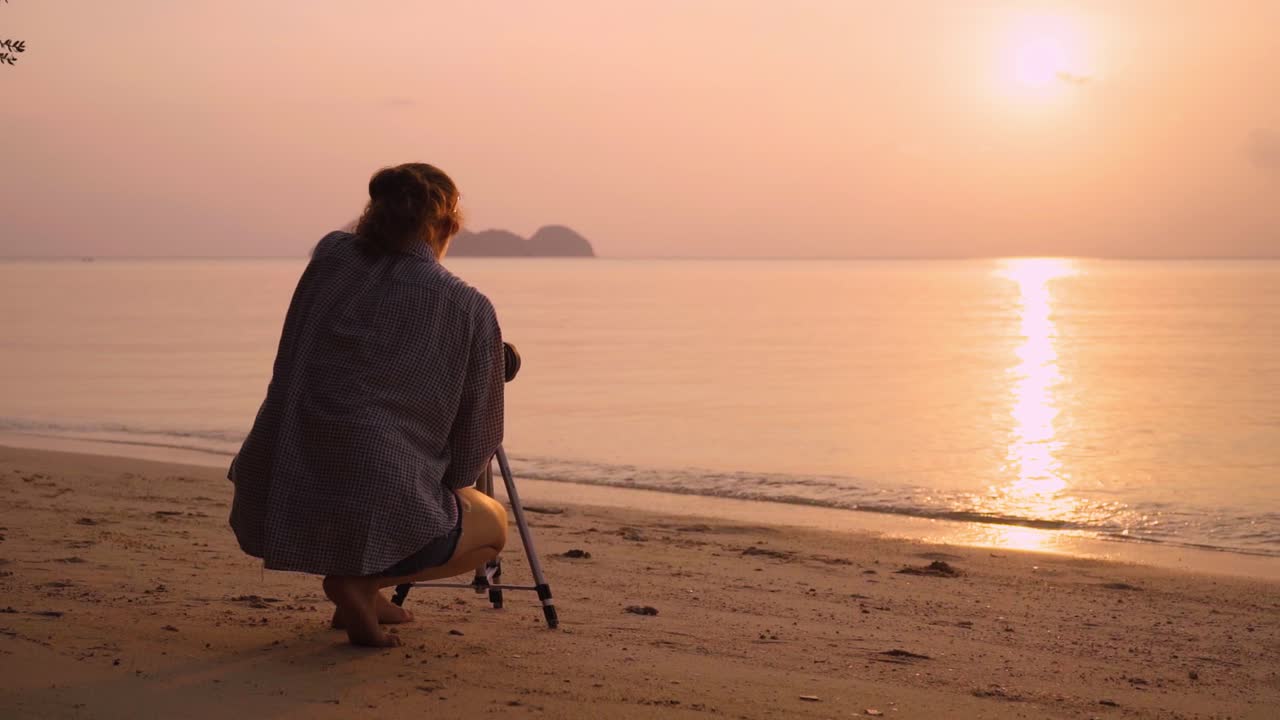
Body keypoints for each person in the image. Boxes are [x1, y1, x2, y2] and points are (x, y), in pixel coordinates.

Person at [228, 163, 508, 647]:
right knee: (491, 525)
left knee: (376, 488)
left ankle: (361, 593)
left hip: (286, 479)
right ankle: (359, 582)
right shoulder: (468, 307)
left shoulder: (330, 257)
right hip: (373, 493)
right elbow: (470, 454)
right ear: (446, 227)